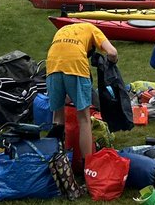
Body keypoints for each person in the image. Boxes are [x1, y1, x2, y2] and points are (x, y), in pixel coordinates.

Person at [46, 20, 118, 170]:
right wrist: (113, 62)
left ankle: (57, 164)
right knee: (84, 118)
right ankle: (88, 167)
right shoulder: (92, 28)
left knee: (58, 117)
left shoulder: (63, 29)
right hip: (75, 66)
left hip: (52, 65)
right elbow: (112, 52)